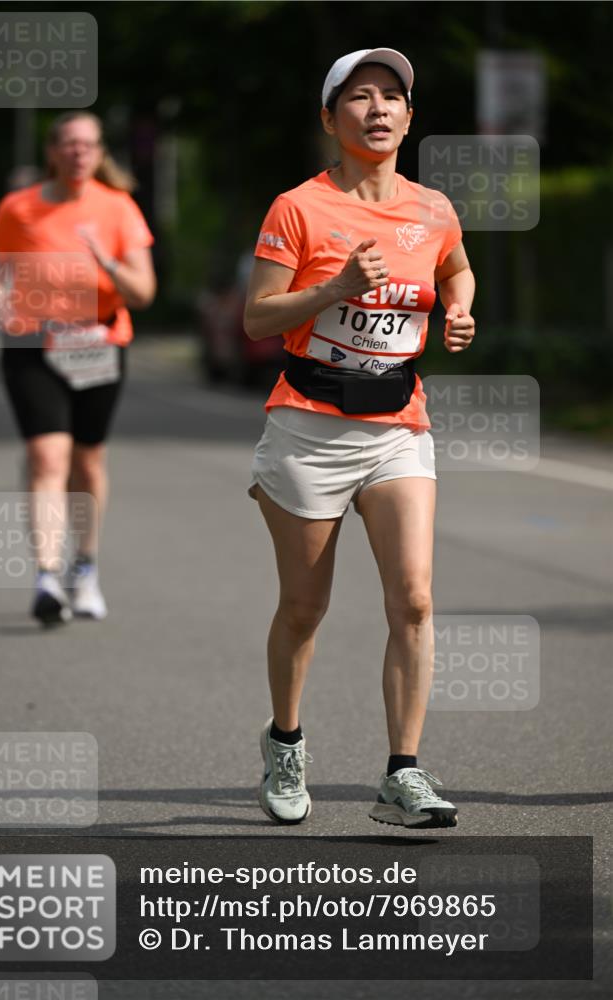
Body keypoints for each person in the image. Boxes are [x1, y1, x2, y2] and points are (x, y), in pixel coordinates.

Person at [244, 49, 475, 828]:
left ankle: (401, 774)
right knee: (304, 607)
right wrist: (337, 288)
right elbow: (258, 317)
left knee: (413, 598)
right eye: (358, 97)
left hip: (396, 423)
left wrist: (459, 307)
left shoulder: (434, 208)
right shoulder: (297, 208)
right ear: (329, 118)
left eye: (392, 97)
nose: (377, 108)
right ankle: (285, 741)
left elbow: (454, 269)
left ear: (409, 118)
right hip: (307, 425)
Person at [0, 111, 156, 625]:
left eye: (90, 145)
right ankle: (45, 577)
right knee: (46, 457)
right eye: (71, 144)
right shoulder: (18, 207)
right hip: (33, 343)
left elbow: (144, 293)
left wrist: (105, 261)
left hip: (99, 342)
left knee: (87, 461)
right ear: (53, 152)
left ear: (99, 152)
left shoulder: (119, 208)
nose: (81, 153)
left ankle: (84, 568)